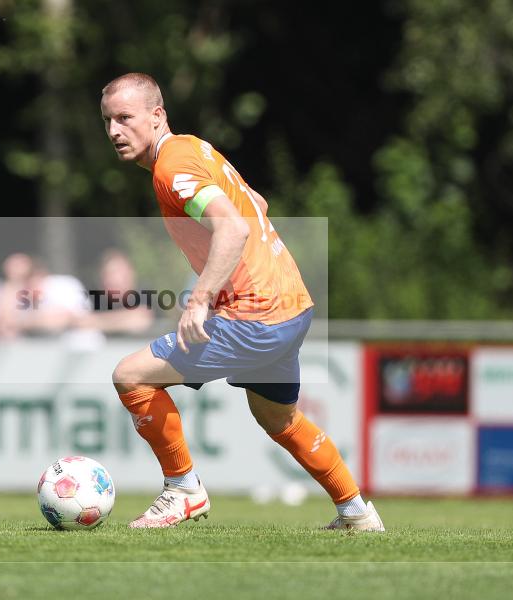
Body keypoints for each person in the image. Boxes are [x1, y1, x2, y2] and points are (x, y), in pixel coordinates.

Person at [100, 73, 384, 531]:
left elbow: (234, 227)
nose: (114, 130)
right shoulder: (194, 148)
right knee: (277, 417)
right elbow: (258, 202)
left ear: (157, 116)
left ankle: (183, 491)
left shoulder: (173, 167)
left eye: (125, 118)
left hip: (255, 317)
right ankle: (357, 513)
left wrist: (199, 301)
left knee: (130, 376)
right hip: (292, 305)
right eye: (109, 120)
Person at [76, 248, 155, 335]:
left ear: (130, 274)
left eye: (116, 273)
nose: (110, 280)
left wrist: (97, 322)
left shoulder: (143, 293)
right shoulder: (96, 298)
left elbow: (140, 320)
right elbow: (81, 321)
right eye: (107, 274)